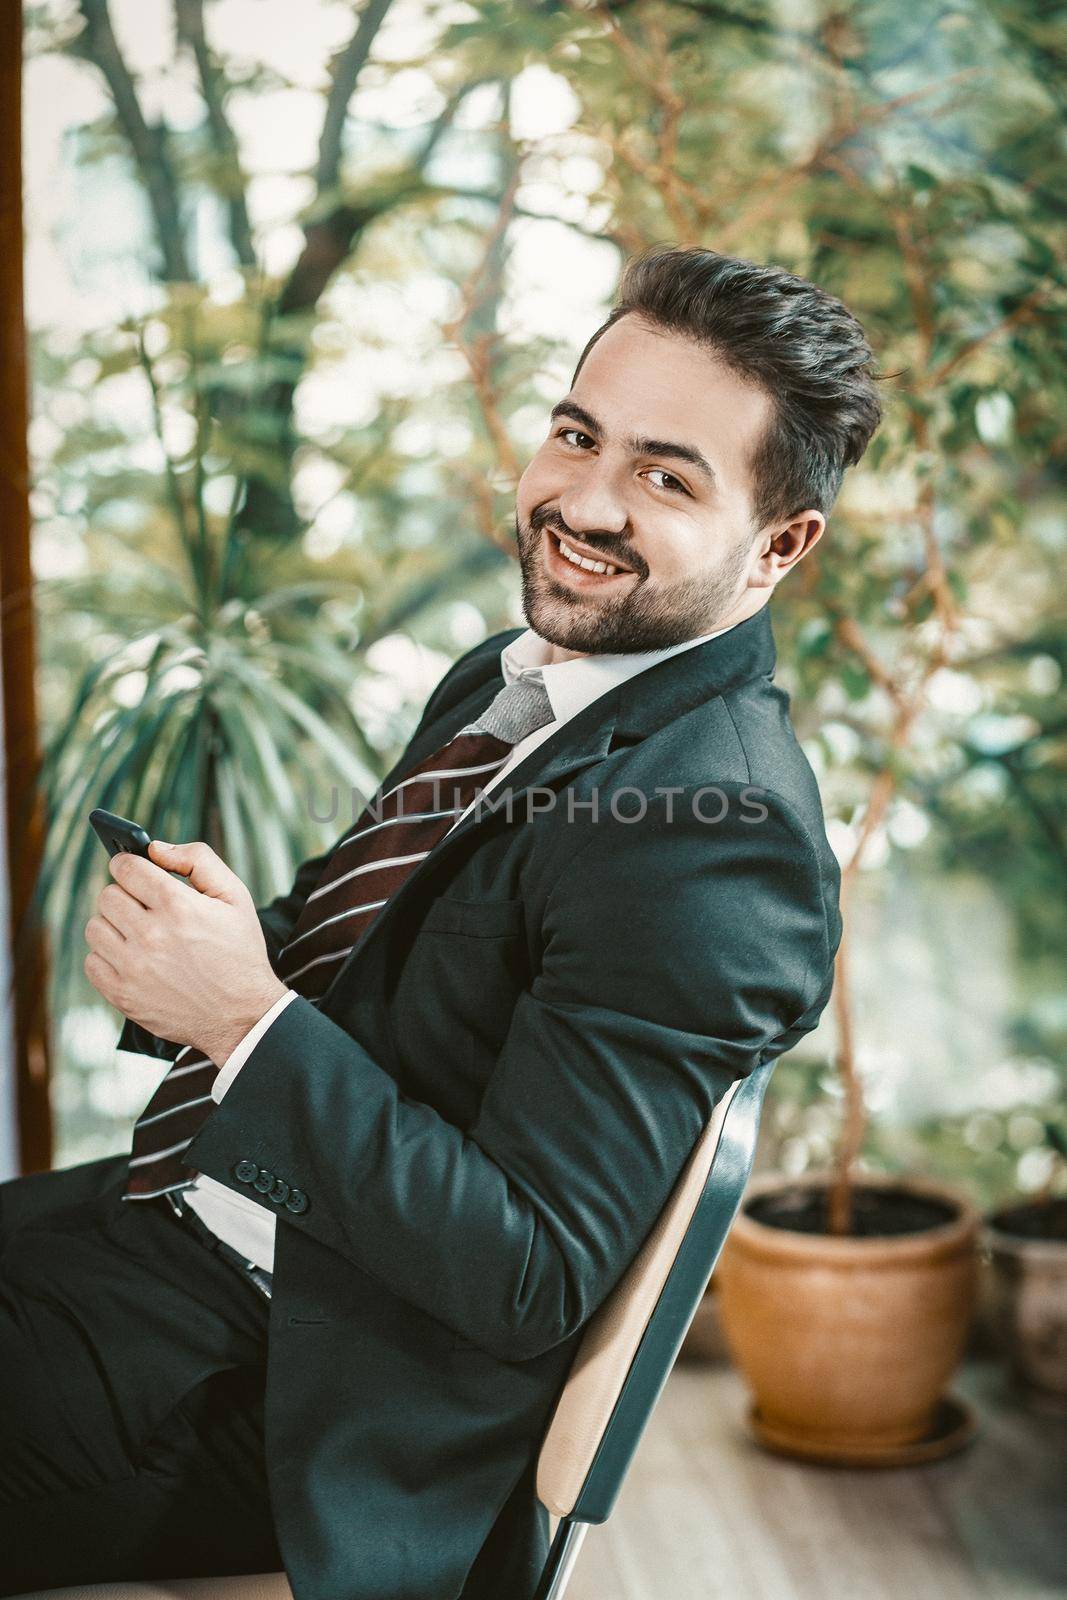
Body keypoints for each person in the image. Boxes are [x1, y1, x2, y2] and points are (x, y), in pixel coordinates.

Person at [0, 245, 882, 1599]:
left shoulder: (716, 834)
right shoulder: (527, 673)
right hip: (197, 1222)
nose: (583, 500)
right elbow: (367, 958)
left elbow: (526, 1275)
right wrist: (221, 940)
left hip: (306, 1383)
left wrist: (241, 1018)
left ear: (779, 544)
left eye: (665, 475)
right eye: (578, 434)